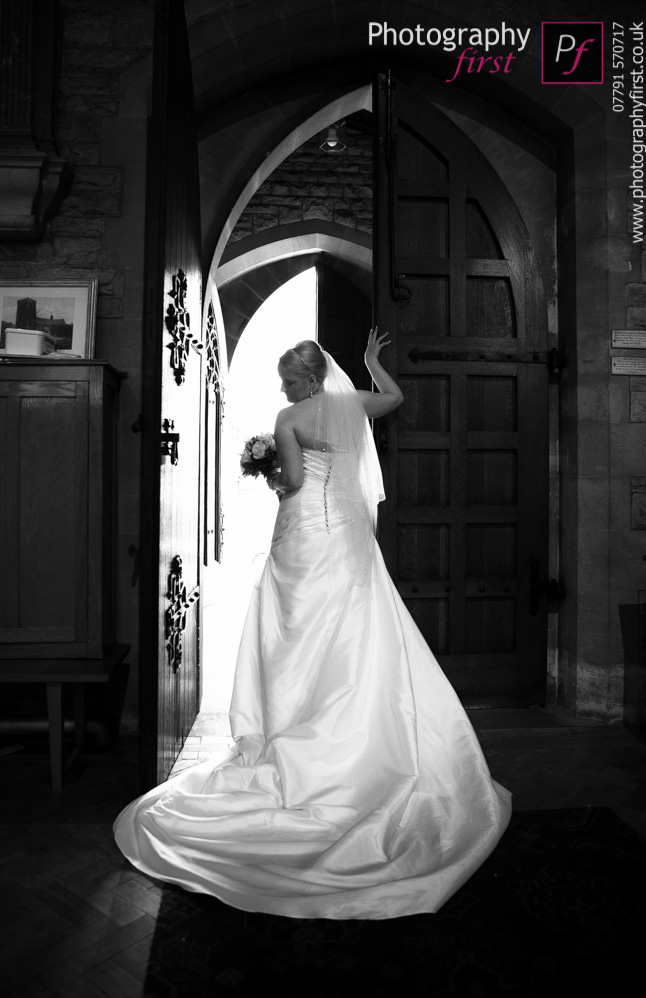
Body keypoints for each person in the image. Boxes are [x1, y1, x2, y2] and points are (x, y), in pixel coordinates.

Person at [114, 329, 511, 920]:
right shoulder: (352, 403)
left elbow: (295, 483)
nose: (282, 388)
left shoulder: (289, 418)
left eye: (287, 380)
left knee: (294, 630)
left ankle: (297, 725)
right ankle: (359, 731)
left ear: (305, 379)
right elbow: (395, 398)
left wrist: (269, 475)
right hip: (347, 534)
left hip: (304, 531)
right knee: (358, 624)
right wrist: (372, 362)